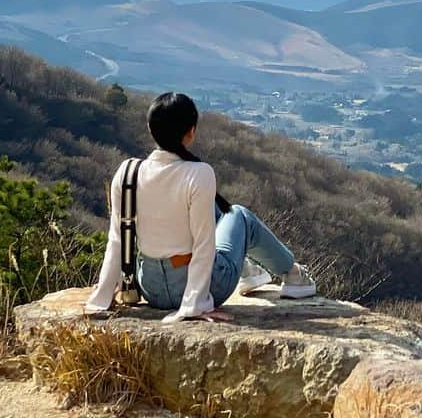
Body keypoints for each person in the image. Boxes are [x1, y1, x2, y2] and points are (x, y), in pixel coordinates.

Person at [86, 92, 315, 322]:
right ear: (191, 132)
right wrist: (194, 304)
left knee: (215, 210)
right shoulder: (198, 173)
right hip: (199, 287)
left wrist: (102, 297)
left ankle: (247, 269)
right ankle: (293, 275)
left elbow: (117, 239)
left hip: (151, 288)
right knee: (239, 215)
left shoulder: (128, 173)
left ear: (150, 128)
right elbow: (203, 244)